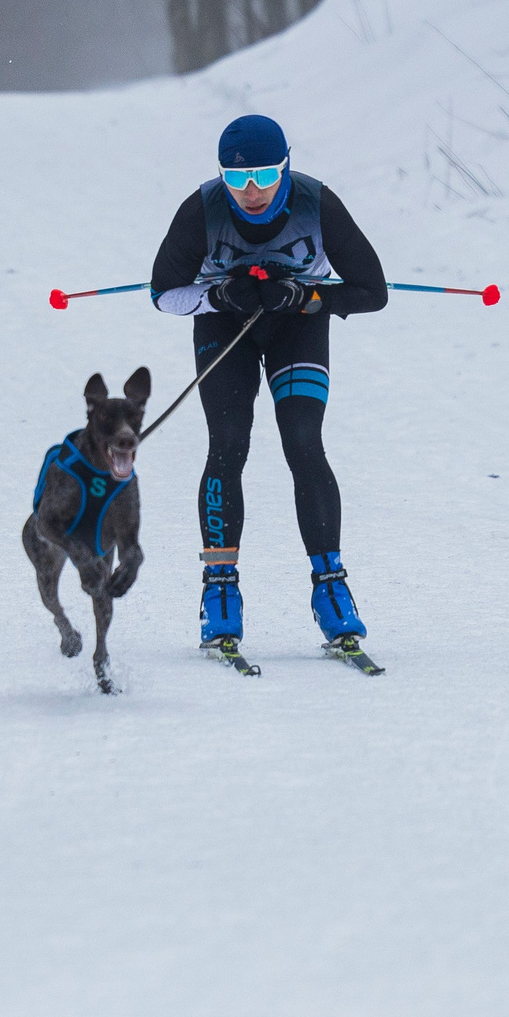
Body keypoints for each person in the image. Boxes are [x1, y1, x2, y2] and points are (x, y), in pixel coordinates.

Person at [148, 114, 387, 650]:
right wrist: (220, 296)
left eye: (263, 176)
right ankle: (219, 591)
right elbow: (163, 292)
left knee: (303, 440)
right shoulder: (201, 211)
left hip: (297, 327)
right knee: (229, 444)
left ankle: (331, 588)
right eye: (236, 179)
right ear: (221, 177)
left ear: (285, 168)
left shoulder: (317, 204)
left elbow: (373, 291)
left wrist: (307, 297)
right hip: (223, 326)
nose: (251, 192)